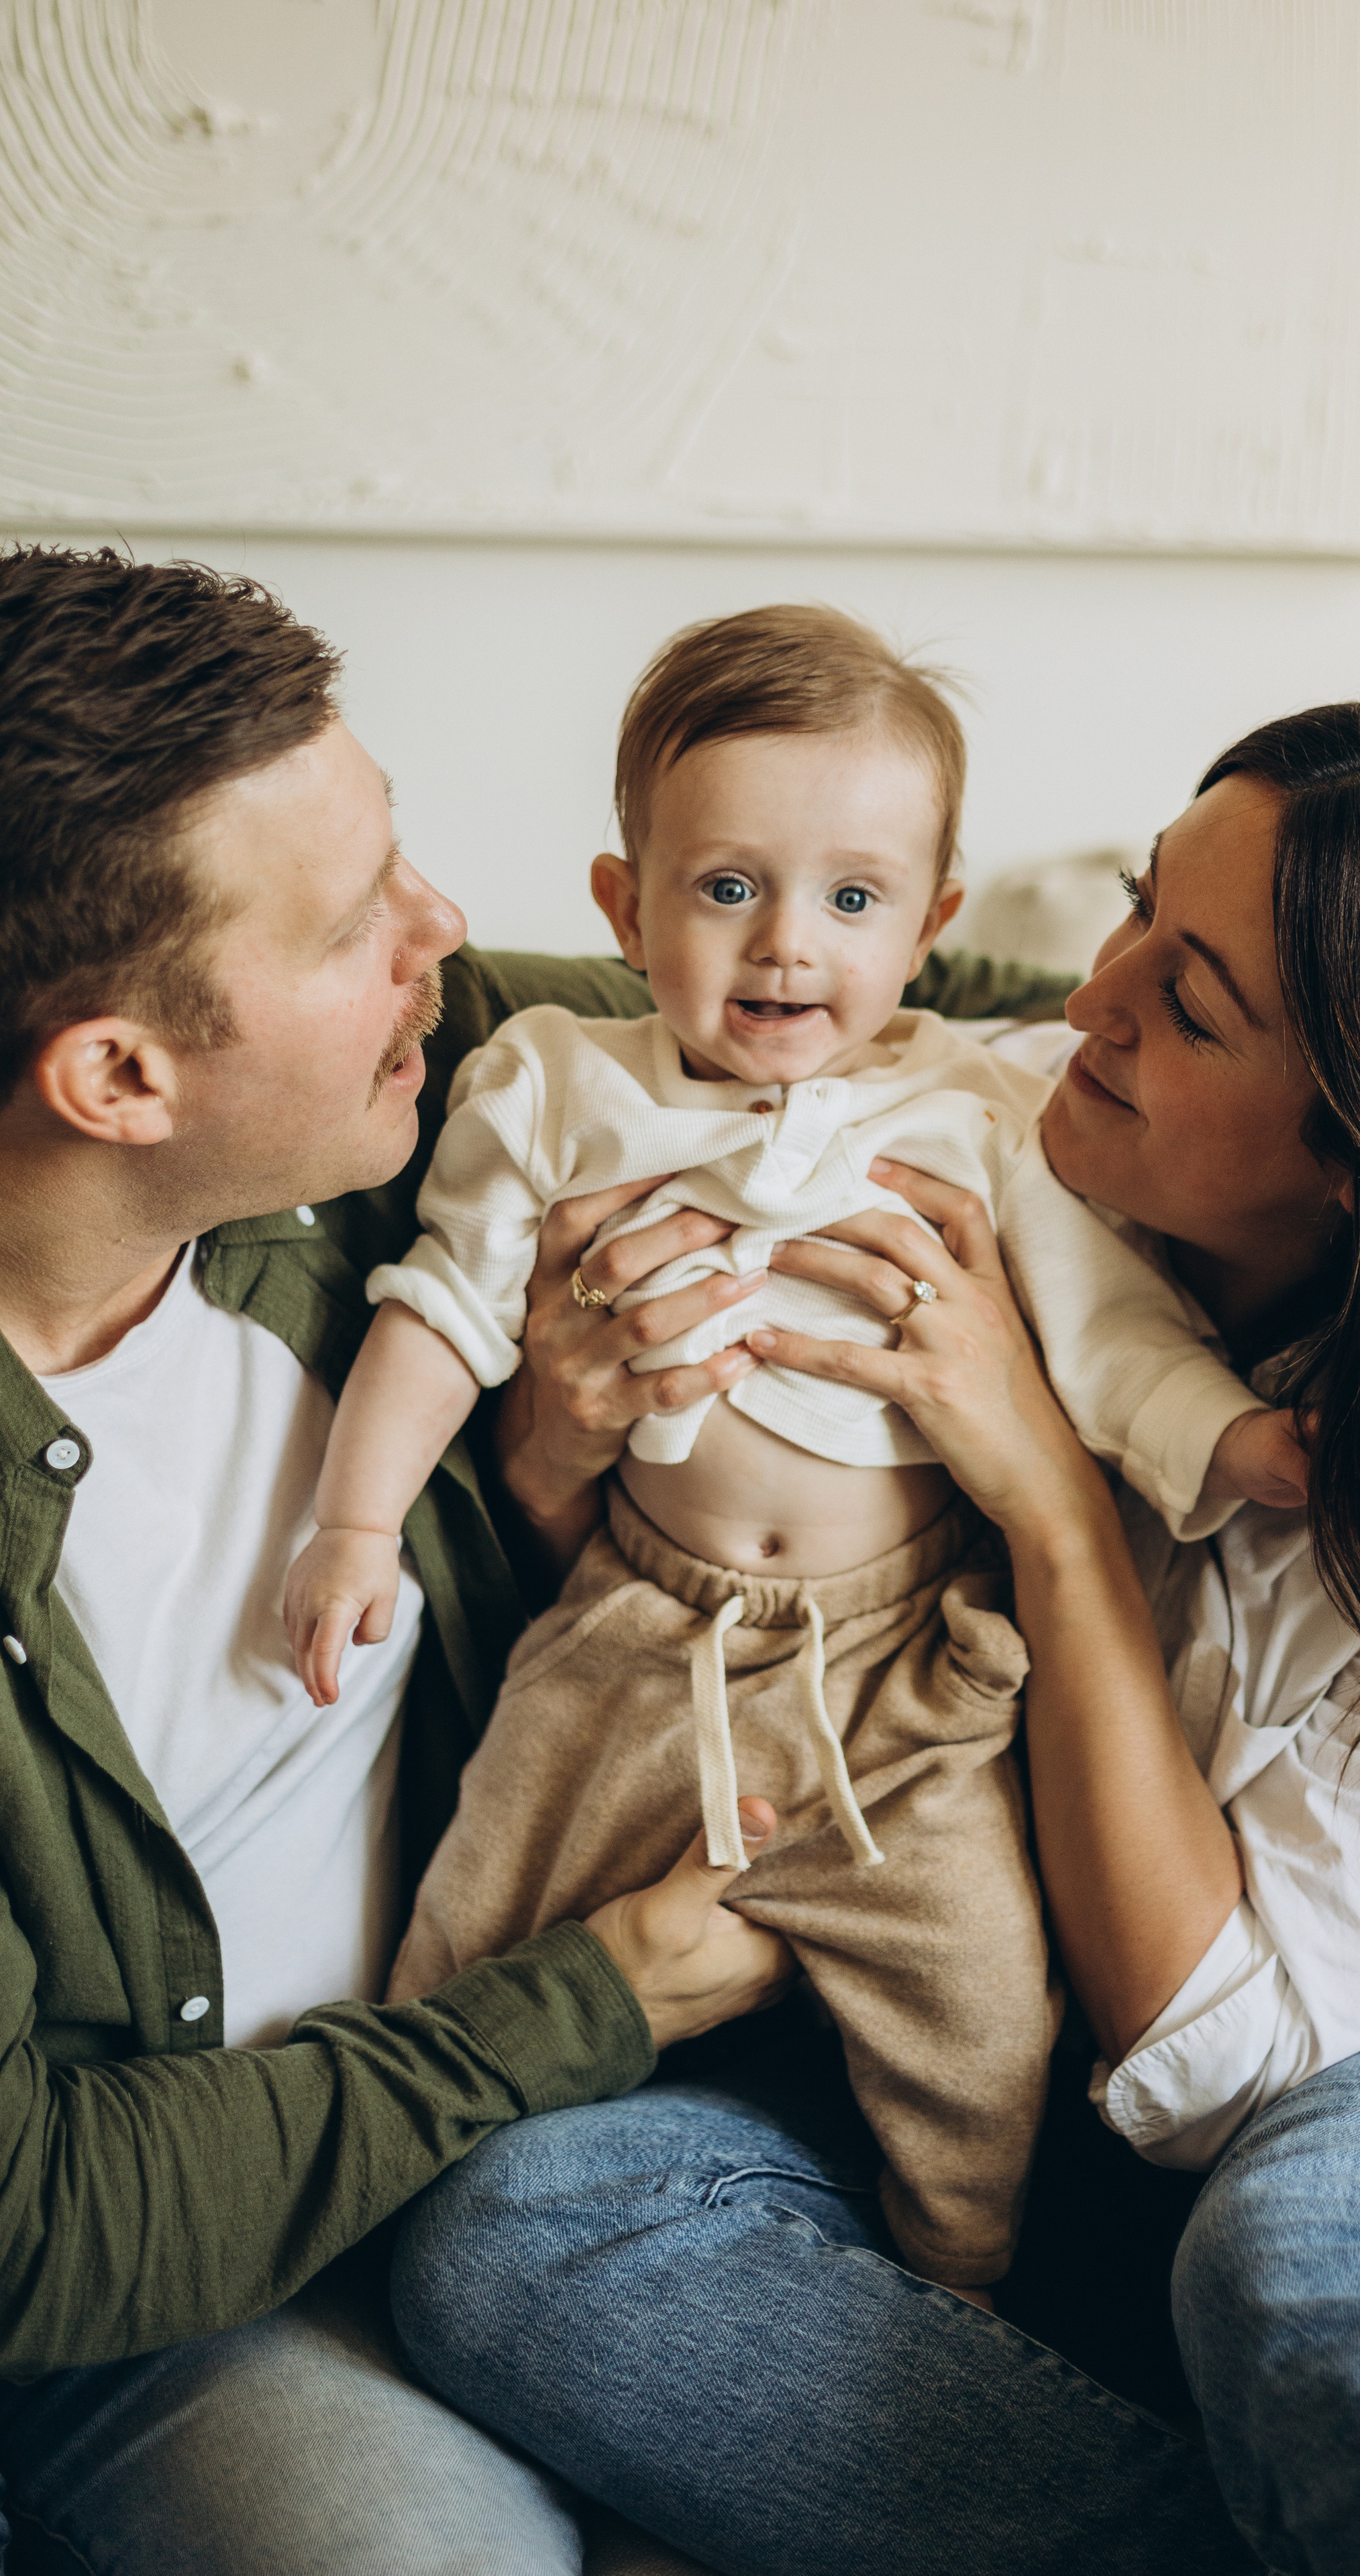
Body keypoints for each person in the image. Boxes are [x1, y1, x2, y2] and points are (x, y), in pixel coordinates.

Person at [392, 693, 1360, 2576]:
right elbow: (656, 994)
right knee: (519, 2224)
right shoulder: (979, 1117)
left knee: (1311, 2258)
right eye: (1132, 911)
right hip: (1020, 2073)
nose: (1089, 1007)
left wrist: (1055, 1506)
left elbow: (1231, 2083)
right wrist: (557, 1421)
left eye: (1188, 1005)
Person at [0, 542, 929, 2573]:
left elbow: (982, 1027)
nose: (446, 928)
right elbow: (36, 2230)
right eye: (356, 921)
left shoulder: (386, 1112)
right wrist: (580, 2002)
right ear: (119, 1077)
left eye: (402, 855)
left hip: (369, 2204)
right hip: (114, 2303)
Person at [285, 604, 1306, 2298]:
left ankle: (958, 2293)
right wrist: (354, 1523)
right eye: (724, 887)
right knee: (462, 1933)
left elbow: (1107, 1330)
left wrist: (1237, 1441)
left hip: (903, 1672)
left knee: (982, 2010)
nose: (784, 948)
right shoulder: (551, 1082)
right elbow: (441, 1311)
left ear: (930, 926)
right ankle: (376, 2251)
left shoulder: (974, 1104)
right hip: (627, 1636)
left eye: (850, 900)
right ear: (623, 904)